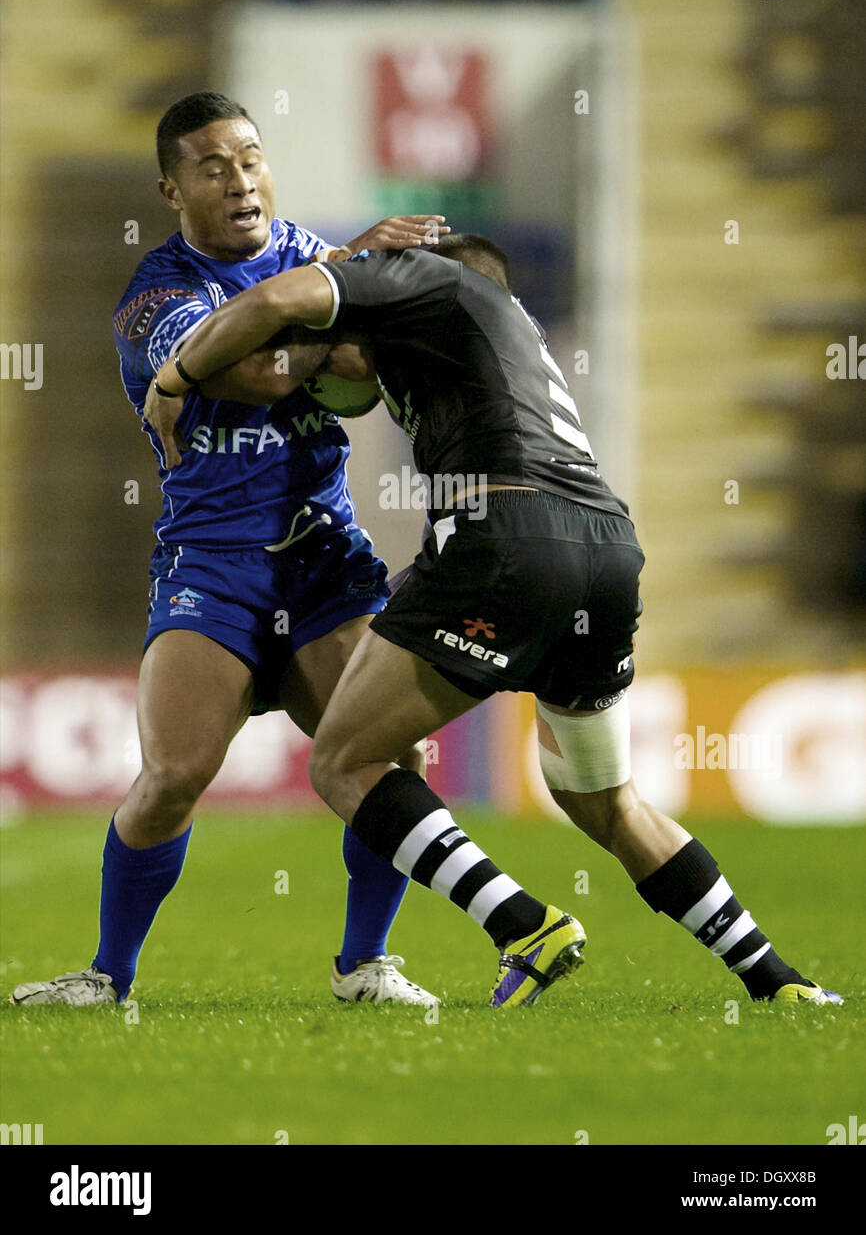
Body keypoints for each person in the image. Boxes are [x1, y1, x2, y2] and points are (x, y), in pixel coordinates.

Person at [139, 233, 842, 1010]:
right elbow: (338, 370)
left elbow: (275, 302)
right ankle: (777, 980)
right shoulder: (501, 334)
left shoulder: (429, 283)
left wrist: (177, 376)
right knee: (606, 802)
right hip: (605, 550)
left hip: (502, 539)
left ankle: (521, 923)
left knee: (346, 762)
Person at [10, 91, 449, 1009]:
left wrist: (348, 297)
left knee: (391, 760)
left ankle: (364, 965)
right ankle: (107, 977)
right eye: (213, 166)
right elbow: (249, 373)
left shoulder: (316, 259)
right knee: (175, 774)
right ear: (173, 188)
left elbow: (359, 364)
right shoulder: (154, 298)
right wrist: (333, 308)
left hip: (324, 553)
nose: (240, 179)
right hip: (214, 563)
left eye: (250, 157)